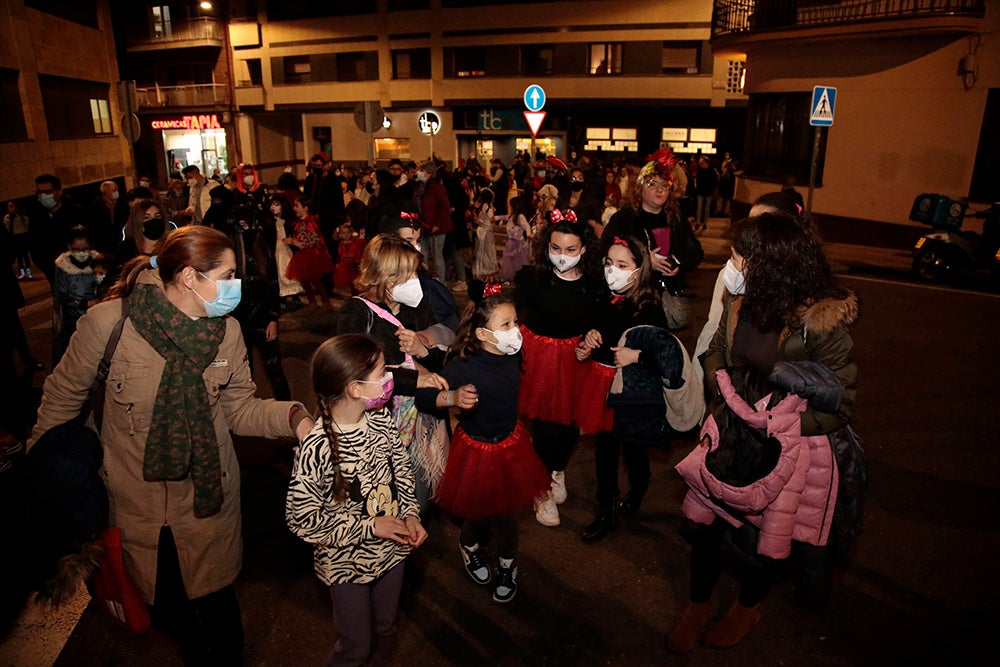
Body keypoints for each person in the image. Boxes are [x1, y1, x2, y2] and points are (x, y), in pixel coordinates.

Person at [28, 225, 315, 664]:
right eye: (227, 274)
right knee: (166, 612)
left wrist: (294, 417)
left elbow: (240, 409)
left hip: (207, 504)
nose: (235, 286)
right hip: (135, 508)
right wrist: (43, 474)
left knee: (220, 616)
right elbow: (61, 400)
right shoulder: (110, 325)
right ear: (188, 277)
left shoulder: (228, 333)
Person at [667, 213, 858, 653]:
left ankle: (747, 606)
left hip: (781, 450)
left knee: (761, 537)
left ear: (772, 263)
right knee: (707, 527)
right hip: (730, 437)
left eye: (740, 255)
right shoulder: (742, 303)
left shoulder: (820, 323)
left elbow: (841, 404)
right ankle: (697, 604)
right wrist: (724, 389)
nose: (732, 263)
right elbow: (716, 350)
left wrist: (780, 426)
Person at [285, 333, 427, 667]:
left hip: (393, 554)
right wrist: (369, 526)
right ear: (354, 388)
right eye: (382, 373)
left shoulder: (382, 424)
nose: (390, 378)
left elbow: (402, 473)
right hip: (345, 565)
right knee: (356, 646)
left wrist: (411, 514)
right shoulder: (316, 448)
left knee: (386, 628)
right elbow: (302, 520)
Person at [415, 291, 550, 603]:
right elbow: (424, 396)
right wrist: (452, 398)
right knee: (477, 511)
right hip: (476, 450)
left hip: (511, 445)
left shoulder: (515, 355)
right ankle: (470, 546)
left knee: (508, 515)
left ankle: (507, 564)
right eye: (506, 324)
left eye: (515, 322)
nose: (515, 330)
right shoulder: (464, 366)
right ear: (482, 334)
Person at [574, 235, 676, 543]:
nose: (612, 271)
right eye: (608, 263)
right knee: (605, 450)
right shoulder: (600, 299)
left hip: (632, 390)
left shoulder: (649, 308)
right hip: (601, 384)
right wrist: (588, 340)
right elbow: (591, 334)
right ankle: (606, 511)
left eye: (621, 265)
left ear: (639, 268)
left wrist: (637, 356)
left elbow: (665, 355)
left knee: (633, 449)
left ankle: (639, 484)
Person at [336, 234, 449, 510]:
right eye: (406, 274)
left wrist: (424, 350)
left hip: (418, 426)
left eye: (415, 272)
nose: (414, 281)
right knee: (379, 503)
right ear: (382, 275)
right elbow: (353, 373)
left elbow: (443, 357)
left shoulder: (418, 308)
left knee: (417, 502)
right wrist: (414, 379)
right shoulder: (357, 312)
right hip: (376, 429)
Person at [513, 209, 603, 526]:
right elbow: (512, 313)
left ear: (584, 249)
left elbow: (598, 321)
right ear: (546, 247)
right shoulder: (534, 278)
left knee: (570, 427)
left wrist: (594, 336)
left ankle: (556, 469)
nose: (562, 256)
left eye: (570, 250)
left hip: (576, 360)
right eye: (555, 248)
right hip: (539, 357)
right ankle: (542, 490)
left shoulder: (594, 284)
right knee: (546, 428)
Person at [692, 191, 806, 386]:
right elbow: (713, 337)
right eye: (749, 220)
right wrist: (714, 383)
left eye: (760, 223)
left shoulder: (813, 302)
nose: (750, 229)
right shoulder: (732, 277)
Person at [602, 148, 703, 330]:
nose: (659, 190)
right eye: (652, 184)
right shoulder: (625, 218)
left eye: (664, 186)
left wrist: (678, 264)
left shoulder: (676, 218)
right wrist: (646, 260)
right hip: (633, 299)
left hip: (666, 299)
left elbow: (696, 252)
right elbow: (604, 250)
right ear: (640, 188)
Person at [100, 199, 175, 298]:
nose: (153, 221)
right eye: (146, 217)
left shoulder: (172, 245)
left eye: (157, 216)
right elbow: (111, 280)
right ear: (137, 222)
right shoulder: (127, 247)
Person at [52, 229, 101, 365]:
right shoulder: (63, 265)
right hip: (71, 318)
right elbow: (61, 295)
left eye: (85, 249)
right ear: (69, 247)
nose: (81, 252)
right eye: (76, 249)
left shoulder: (99, 262)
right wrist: (84, 303)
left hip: (95, 315)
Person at [284, 196, 336, 308]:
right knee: (305, 281)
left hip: (311, 254)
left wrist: (297, 242)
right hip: (303, 255)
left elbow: (315, 239)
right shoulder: (298, 223)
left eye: (297, 206)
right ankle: (312, 303)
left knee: (315, 280)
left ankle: (326, 302)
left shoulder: (310, 222)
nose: (294, 208)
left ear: (305, 208)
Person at [414, 160, 453, 283]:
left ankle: (440, 281)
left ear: (430, 173)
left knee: (437, 255)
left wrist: (438, 224)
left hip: (436, 227)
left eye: (423, 171)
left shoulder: (437, 187)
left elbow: (444, 207)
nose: (419, 173)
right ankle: (425, 279)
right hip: (423, 225)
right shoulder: (421, 186)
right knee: (423, 254)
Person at [266, 195, 304, 307]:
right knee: (278, 272)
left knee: (289, 270)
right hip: (275, 249)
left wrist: (292, 241)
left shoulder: (289, 222)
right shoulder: (269, 222)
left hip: (287, 249)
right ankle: (281, 297)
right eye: (272, 204)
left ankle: (294, 294)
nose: (273, 207)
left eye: (277, 204)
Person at [499, 196, 533, 282]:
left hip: (518, 243)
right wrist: (497, 218)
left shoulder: (520, 217)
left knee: (518, 261)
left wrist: (529, 236)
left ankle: (519, 277)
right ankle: (513, 278)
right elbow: (506, 217)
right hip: (511, 242)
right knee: (510, 262)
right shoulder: (512, 215)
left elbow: (527, 226)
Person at [470, 188, 500, 285]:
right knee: (487, 252)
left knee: (483, 252)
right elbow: (490, 219)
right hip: (485, 231)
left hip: (483, 231)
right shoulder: (487, 207)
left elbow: (486, 219)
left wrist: (480, 220)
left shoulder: (485, 207)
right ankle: (487, 270)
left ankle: (483, 270)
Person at [333, 221, 366, 296]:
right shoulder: (341, 244)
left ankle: (360, 296)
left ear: (351, 232)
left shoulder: (356, 242)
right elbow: (340, 254)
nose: (346, 235)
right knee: (352, 283)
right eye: (343, 233)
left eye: (348, 232)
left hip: (356, 265)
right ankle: (354, 296)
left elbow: (361, 243)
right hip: (347, 266)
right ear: (340, 235)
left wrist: (362, 234)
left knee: (358, 282)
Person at [3, 201, 32, 280]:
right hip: (15, 238)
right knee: (19, 257)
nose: (11, 208)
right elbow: (7, 228)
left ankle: (29, 273)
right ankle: (22, 273)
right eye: (9, 206)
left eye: (12, 206)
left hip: (22, 237)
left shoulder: (22, 216)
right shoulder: (7, 217)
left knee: (25, 256)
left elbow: (27, 225)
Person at [693, 155, 718, 232]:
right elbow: (697, 181)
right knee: (699, 208)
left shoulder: (712, 172)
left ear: (707, 163)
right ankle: (698, 222)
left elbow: (715, 182)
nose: (702, 165)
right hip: (701, 192)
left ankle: (704, 223)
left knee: (707, 208)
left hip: (708, 192)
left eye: (703, 163)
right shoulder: (700, 171)